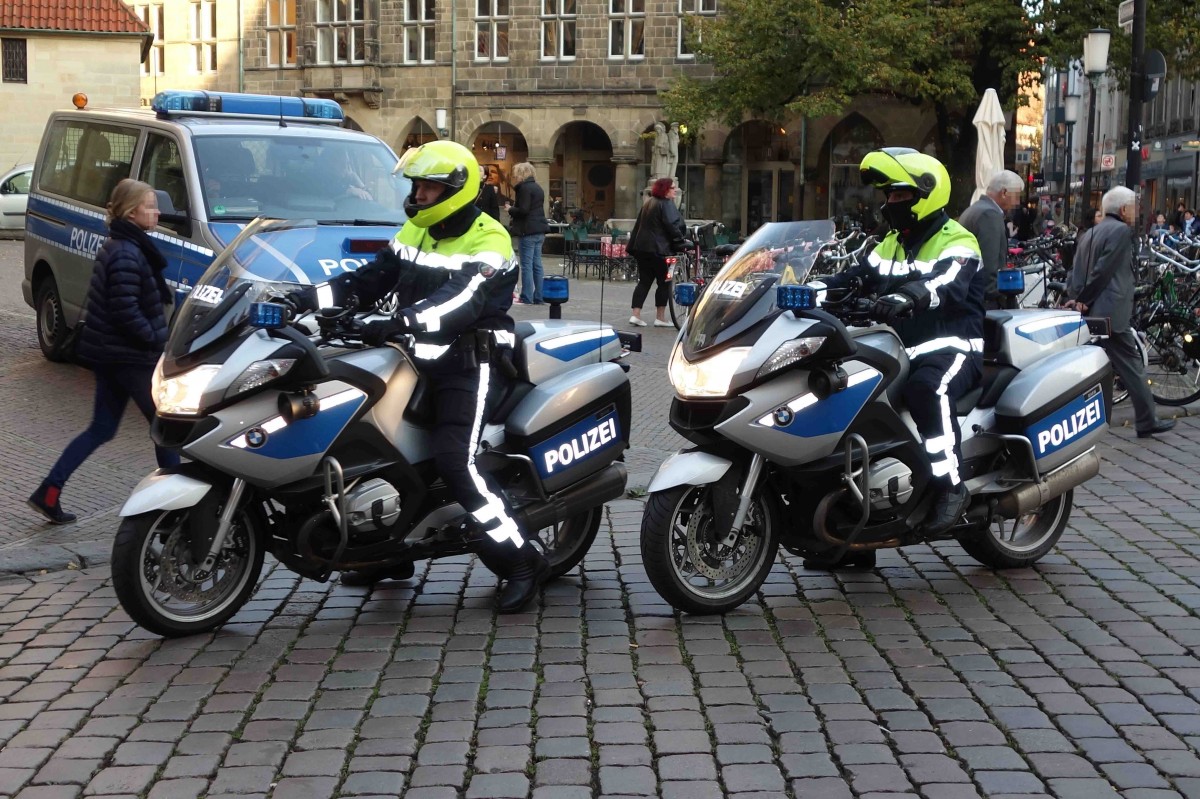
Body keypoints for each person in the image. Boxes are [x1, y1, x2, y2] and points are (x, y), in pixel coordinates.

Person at [326, 140, 547, 613]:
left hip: (470, 364)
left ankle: (520, 560)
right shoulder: (416, 229)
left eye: (428, 187)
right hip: (412, 360)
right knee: (376, 450)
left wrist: (400, 321)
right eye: (416, 186)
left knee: (454, 463)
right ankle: (385, 553)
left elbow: (458, 301)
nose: (418, 195)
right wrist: (309, 299)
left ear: (454, 190)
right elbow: (373, 277)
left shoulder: (490, 239)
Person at [809, 147, 985, 543]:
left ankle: (950, 485)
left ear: (927, 195)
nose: (891, 203)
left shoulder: (959, 240)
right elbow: (854, 278)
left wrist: (909, 296)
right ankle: (856, 520)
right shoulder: (889, 243)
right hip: (897, 350)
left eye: (901, 195)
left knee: (927, 389)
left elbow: (945, 283)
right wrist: (810, 291)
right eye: (889, 195)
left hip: (953, 348)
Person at [27, 179, 180, 524]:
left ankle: (48, 492)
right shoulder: (127, 252)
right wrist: (155, 337)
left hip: (110, 354)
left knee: (101, 428)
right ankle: (175, 507)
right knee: (166, 428)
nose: (157, 212)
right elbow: (125, 310)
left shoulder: (122, 245)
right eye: (151, 206)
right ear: (132, 212)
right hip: (131, 357)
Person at [1065, 186, 1175, 439]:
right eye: (1135, 207)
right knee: (1131, 364)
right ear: (1124, 209)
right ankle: (1146, 420)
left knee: (1105, 362)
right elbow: (1104, 270)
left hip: (1094, 308)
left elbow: (1077, 269)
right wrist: (1084, 299)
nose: (1137, 212)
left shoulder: (1091, 232)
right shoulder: (1121, 231)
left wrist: (1078, 298)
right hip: (1110, 310)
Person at [628, 177, 689, 327]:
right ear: (665, 190)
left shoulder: (649, 203)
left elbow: (638, 226)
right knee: (664, 283)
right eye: (672, 188)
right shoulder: (666, 204)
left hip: (642, 249)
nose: (675, 191)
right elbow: (672, 225)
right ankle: (660, 317)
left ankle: (635, 314)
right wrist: (681, 241)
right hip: (660, 250)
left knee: (644, 281)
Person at [958, 170, 1022, 310]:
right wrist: (1000, 300)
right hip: (982, 304)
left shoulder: (976, 209)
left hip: (967, 296)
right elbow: (989, 270)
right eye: (1016, 196)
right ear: (1004, 193)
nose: (1017, 202)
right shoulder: (989, 215)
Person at [506, 162, 550, 305]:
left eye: (516, 174)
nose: (515, 177)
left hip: (528, 231)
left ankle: (527, 296)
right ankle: (539, 296)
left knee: (526, 265)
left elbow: (524, 210)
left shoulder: (524, 188)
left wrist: (510, 209)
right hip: (539, 230)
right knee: (537, 265)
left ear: (522, 174)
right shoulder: (538, 188)